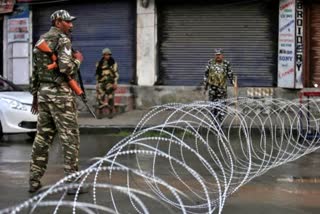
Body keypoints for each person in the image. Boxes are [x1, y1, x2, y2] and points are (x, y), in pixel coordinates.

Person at [29, 9, 86, 194]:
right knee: (70, 138)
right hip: (60, 96)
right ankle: (72, 183)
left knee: (42, 138)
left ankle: (34, 181)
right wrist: (77, 61)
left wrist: (36, 97)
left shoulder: (40, 41)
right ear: (58, 22)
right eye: (68, 22)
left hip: (44, 95)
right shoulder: (62, 40)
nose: (71, 25)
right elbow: (65, 68)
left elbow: (36, 73)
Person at [203, 48, 235, 121]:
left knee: (222, 105)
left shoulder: (226, 63)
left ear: (222, 55)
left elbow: (230, 74)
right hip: (212, 89)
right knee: (212, 105)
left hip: (222, 89)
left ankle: (221, 121)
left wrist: (233, 82)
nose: (218, 56)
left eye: (219, 55)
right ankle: (214, 121)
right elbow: (206, 75)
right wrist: (205, 87)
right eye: (216, 55)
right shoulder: (210, 63)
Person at [95, 48, 119, 119]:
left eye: (108, 55)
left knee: (110, 97)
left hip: (110, 83)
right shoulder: (99, 63)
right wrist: (97, 84)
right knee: (100, 97)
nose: (107, 56)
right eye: (105, 55)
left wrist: (115, 83)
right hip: (101, 83)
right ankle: (100, 112)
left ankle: (111, 112)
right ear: (103, 55)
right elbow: (97, 75)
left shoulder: (113, 63)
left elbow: (116, 74)